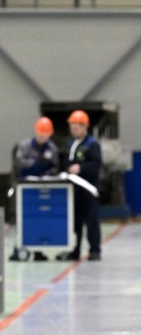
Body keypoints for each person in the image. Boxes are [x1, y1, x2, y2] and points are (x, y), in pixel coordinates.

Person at [10, 116, 59, 261]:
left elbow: (55, 167)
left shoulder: (52, 149)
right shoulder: (24, 146)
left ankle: (38, 250)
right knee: (23, 218)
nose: (42, 137)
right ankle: (18, 248)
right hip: (25, 188)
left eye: (45, 135)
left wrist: (47, 173)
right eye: (40, 134)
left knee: (39, 219)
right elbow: (19, 163)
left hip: (42, 187)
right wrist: (35, 163)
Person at [61, 109, 102, 261]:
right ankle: (75, 250)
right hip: (73, 189)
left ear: (85, 127)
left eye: (77, 128)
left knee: (91, 220)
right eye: (72, 127)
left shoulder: (92, 145)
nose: (74, 130)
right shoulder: (71, 144)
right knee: (74, 221)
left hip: (87, 188)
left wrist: (81, 168)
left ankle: (95, 250)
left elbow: (96, 164)